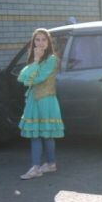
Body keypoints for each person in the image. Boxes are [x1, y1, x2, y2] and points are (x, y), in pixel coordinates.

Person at [17, 28, 64, 180]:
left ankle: (41, 166)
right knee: (37, 134)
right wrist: (36, 61)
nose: (41, 43)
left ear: (48, 42)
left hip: (46, 100)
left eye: (44, 39)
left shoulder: (52, 59)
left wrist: (34, 65)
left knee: (45, 134)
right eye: (37, 40)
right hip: (33, 100)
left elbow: (36, 78)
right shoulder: (35, 58)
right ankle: (47, 165)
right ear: (34, 42)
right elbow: (22, 77)